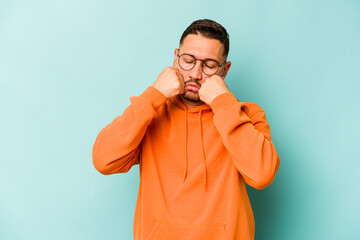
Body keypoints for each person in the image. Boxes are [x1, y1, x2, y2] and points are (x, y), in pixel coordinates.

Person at [92, 19, 280, 240]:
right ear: (175, 57)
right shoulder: (152, 112)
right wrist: (154, 95)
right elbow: (103, 160)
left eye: (209, 65)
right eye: (188, 61)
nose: (196, 74)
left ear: (225, 69)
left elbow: (262, 175)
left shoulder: (245, 114)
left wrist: (223, 103)